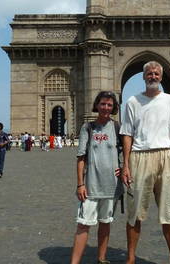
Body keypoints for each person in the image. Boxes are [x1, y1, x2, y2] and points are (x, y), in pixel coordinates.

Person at [120, 61, 170, 264]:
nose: (153, 76)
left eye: (156, 73)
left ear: (161, 75)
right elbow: (127, 135)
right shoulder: (133, 101)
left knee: (168, 212)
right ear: (144, 76)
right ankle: (130, 258)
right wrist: (125, 164)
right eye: (149, 73)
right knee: (135, 213)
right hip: (139, 157)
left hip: (165, 157)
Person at [71, 91, 123, 264]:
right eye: (103, 104)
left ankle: (101, 259)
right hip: (91, 186)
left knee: (105, 222)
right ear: (97, 105)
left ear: (114, 107)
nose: (106, 107)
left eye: (109, 105)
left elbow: (128, 151)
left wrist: (123, 168)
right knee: (83, 224)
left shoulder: (117, 127)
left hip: (111, 186)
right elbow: (81, 158)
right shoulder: (88, 127)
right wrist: (80, 184)